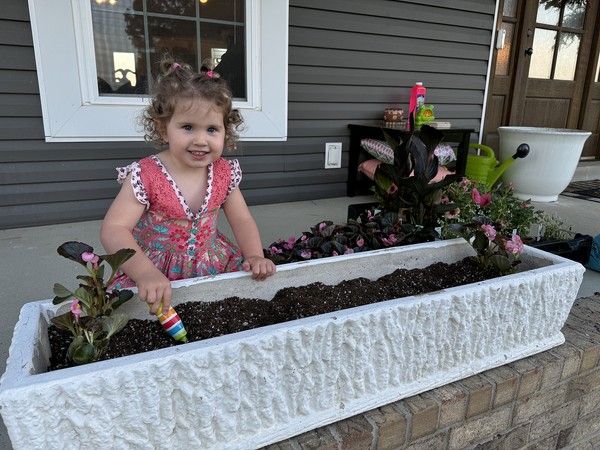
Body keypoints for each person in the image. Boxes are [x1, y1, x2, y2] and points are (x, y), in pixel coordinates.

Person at [100, 56, 276, 316]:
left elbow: (241, 218)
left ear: (225, 132)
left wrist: (254, 255)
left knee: (217, 314)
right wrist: (144, 272)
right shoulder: (146, 175)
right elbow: (114, 229)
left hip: (211, 263)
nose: (201, 140)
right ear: (163, 130)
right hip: (154, 268)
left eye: (212, 130)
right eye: (188, 127)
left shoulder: (224, 173)